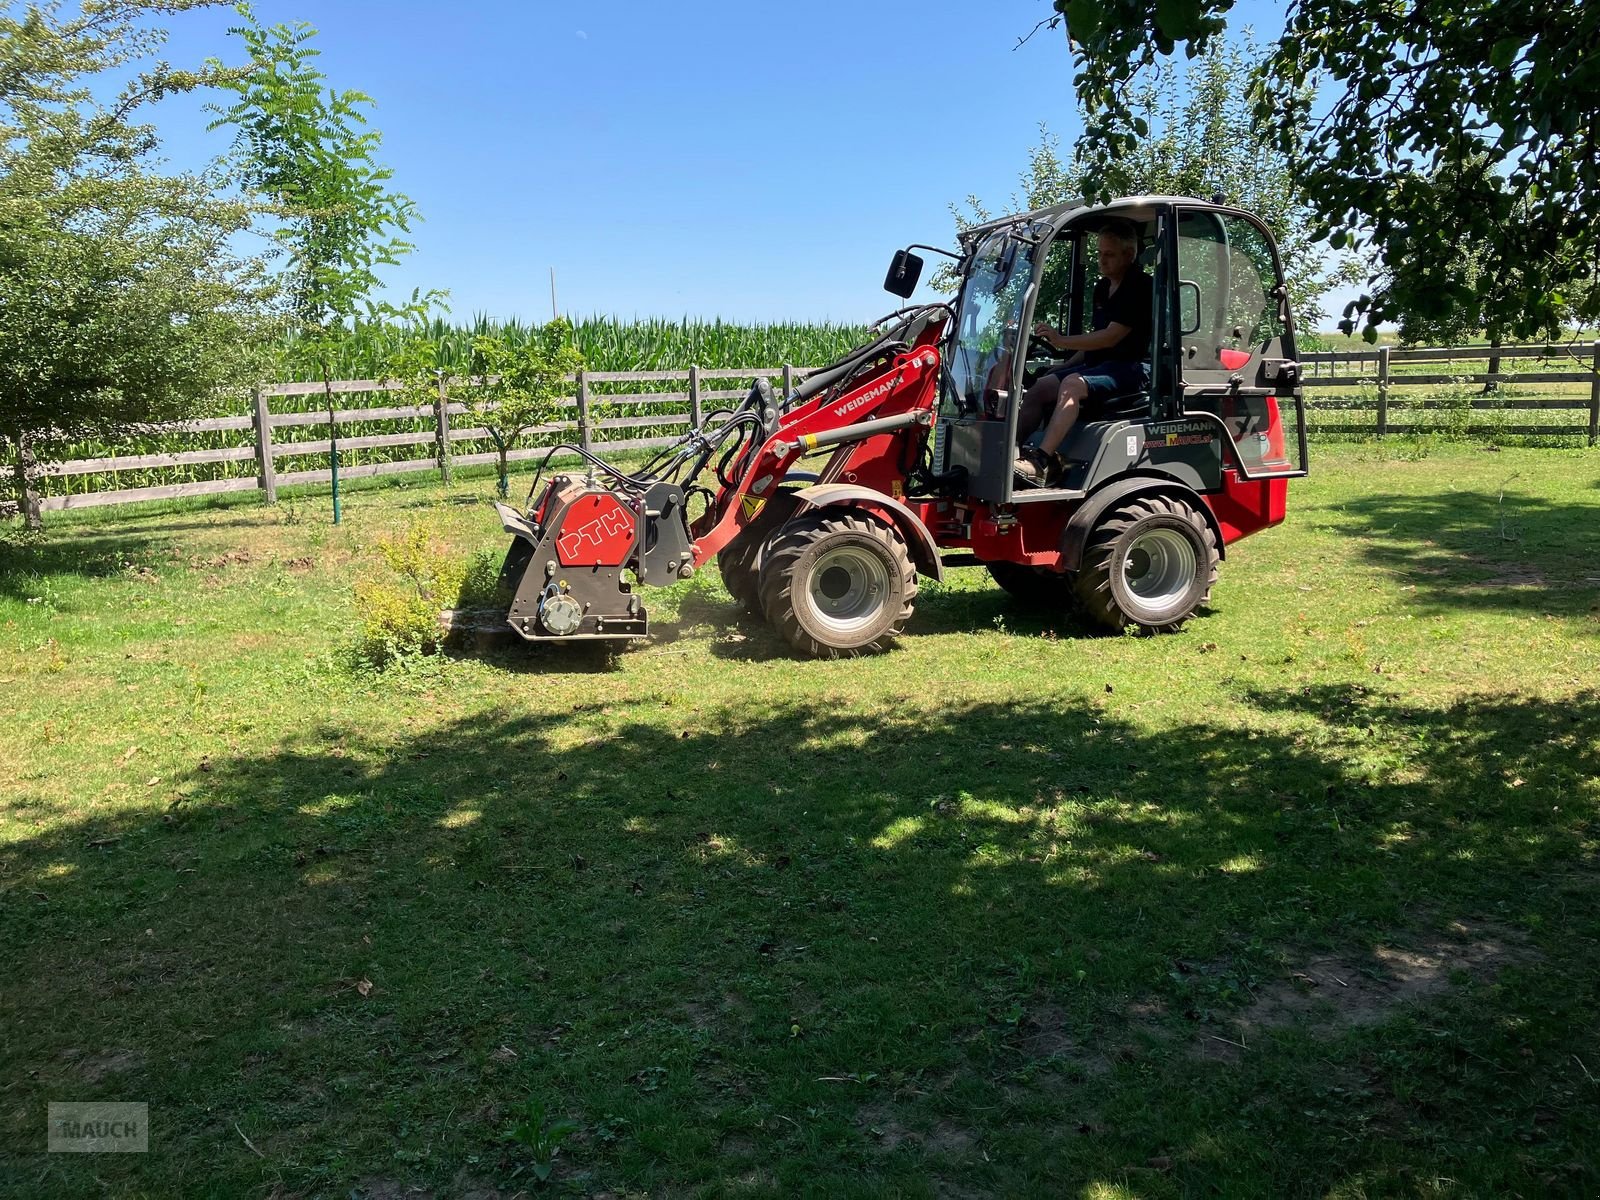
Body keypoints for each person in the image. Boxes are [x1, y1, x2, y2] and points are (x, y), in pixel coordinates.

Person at [1014, 220, 1152, 484]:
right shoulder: (1102, 288)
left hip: (1132, 368)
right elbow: (1094, 341)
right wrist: (1065, 364)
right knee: (1040, 387)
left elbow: (1110, 337)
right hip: (1101, 365)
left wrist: (1061, 341)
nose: (1102, 260)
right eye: (1099, 253)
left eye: (1109, 254)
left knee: (1072, 385)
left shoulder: (1141, 286)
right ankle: (1012, 453)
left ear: (1129, 255)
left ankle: (1041, 461)